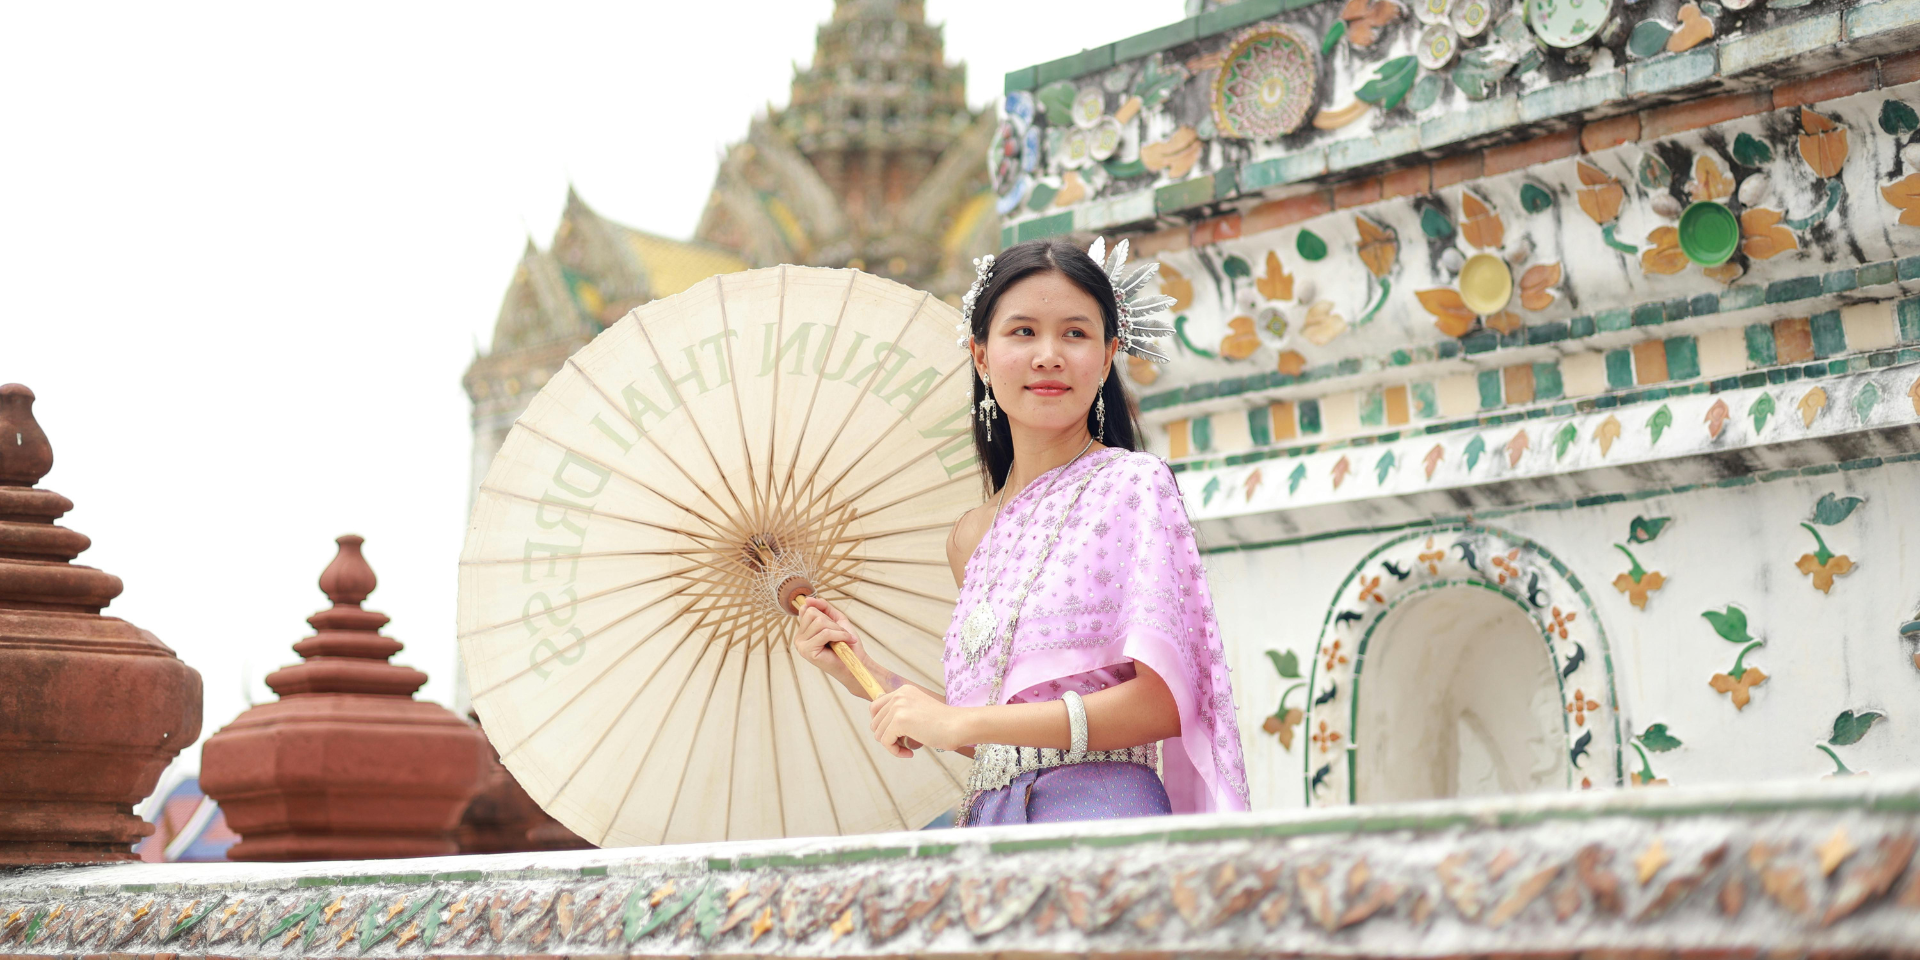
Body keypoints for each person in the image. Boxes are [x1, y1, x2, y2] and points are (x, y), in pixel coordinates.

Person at [793, 238, 1249, 825]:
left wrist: (965, 722)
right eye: (1024, 332)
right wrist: (864, 672)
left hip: (1100, 819)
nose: (1049, 355)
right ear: (982, 356)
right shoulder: (969, 538)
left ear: (1109, 355)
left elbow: (1164, 703)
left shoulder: (1132, 486)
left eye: (1076, 334)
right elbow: (999, 741)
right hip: (990, 819)